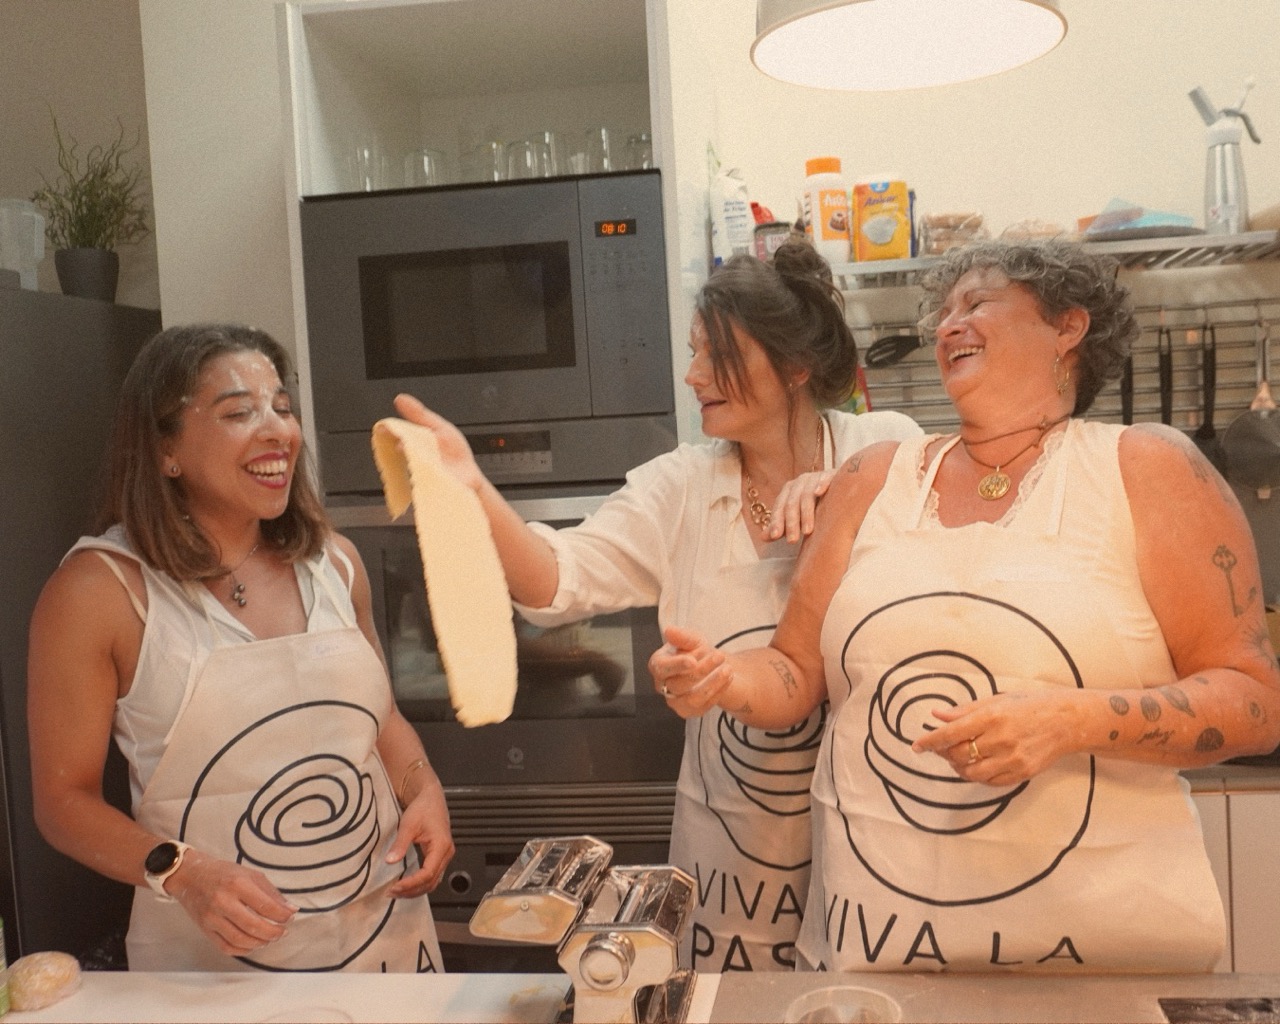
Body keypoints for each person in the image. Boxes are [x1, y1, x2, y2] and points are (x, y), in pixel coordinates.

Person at [651, 238, 1280, 973]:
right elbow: (793, 672)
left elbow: (1254, 699)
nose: (949, 325)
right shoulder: (872, 478)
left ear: (1068, 327)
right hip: (878, 956)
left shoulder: (1147, 467)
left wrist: (1069, 718)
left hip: (1098, 965)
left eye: (977, 303)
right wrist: (724, 679)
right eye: (942, 313)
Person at [394, 242, 922, 972]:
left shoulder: (886, 447)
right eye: (693, 352)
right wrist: (474, 489)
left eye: (717, 355)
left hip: (876, 836)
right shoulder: (680, 487)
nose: (692, 375)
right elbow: (555, 582)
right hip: (733, 855)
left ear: (796, 365)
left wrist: (844, 494)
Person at [28, 324, 454, 973]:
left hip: (385, 945)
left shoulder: (335, 564)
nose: (278, 430)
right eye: (239, 412)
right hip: (212, 973)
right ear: (164, 449)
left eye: (282, 408)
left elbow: (382, 722)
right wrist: (182, 872)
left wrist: (424, 789)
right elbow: (64, 803)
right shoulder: (99, 593)